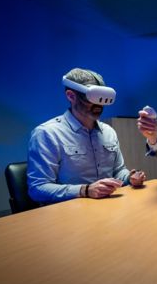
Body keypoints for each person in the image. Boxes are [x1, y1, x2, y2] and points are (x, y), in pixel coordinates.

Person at [28, 68, 146, 205]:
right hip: (68, 214)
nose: (99, 105)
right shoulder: (47, 134)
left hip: (108, 208)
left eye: (102, 99)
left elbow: (118, 171)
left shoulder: (109, 132)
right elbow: (37, 189)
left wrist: (130, 177)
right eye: (93, 98)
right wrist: (85, 190)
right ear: (71, 96)